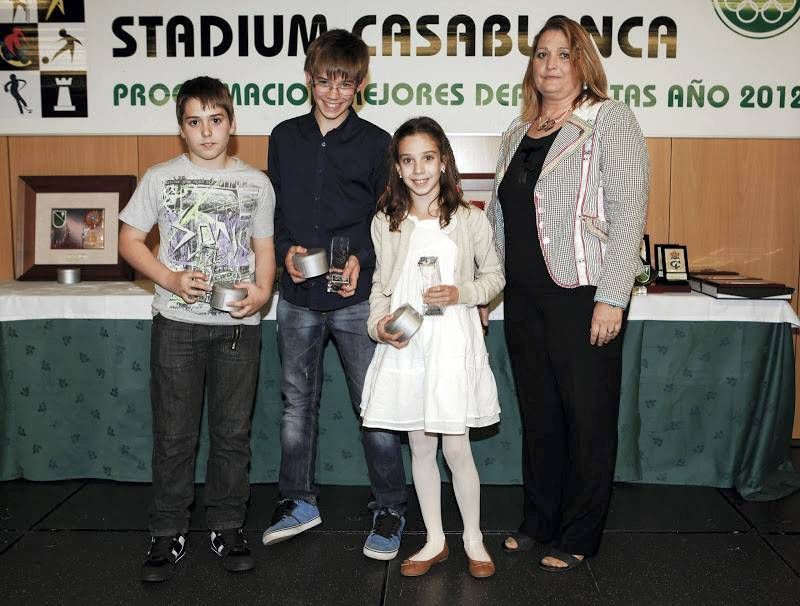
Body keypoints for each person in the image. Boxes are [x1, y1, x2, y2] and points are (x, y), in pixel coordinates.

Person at [485, 15, 649, 571]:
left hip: (583, 294)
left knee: (588, 418)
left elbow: (629, 211)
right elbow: (501, 220)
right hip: (525, 298)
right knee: (541, 416)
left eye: (563, 54)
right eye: (542, 55)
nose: (551, 65)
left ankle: (579, 534)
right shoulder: (516, 131)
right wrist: (489, 287)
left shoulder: (608, 120)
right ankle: (539, 521)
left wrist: (613, 296)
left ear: (583, 64)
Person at [119, 76, 276, 582]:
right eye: (194, 122)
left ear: (232, 123)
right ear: (181, 129)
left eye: (216, 120)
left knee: (232, 434)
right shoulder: (161, 177)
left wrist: (263, 291)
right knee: (175, 436)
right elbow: (129, 240)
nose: (206, 132)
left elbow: (265, 250)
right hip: (177, 326)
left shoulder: (257, 183)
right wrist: (167, 276)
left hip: (238, 328)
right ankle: (167, 532)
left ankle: (228, 526)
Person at [261, 29, 408, 561]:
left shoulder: (377, 143)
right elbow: (272, 214)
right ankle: (297, 501)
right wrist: (283, 253)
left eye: (345, 83)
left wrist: (359, 262)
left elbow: (389, 219)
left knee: (376, 406)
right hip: (297, 297)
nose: (333, 92)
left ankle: (390, 507)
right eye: (324, 81)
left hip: (354, 298)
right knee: (296, 405)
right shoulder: (282, 136)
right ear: (308, 79)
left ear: (361, 85)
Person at [361, 117, 505, 578]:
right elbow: (381, 286)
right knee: (421, 448)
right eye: (408, 160)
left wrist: (461, 292)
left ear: (443, 161)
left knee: (457, 448)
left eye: (427, 158)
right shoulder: (386, 222)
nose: (419, 169)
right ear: (398, 169)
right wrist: (376, 326)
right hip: (409, 347)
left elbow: (495, 278)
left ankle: (474, 540)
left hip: (450, 346)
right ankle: (435, 540)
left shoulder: (470, 218)